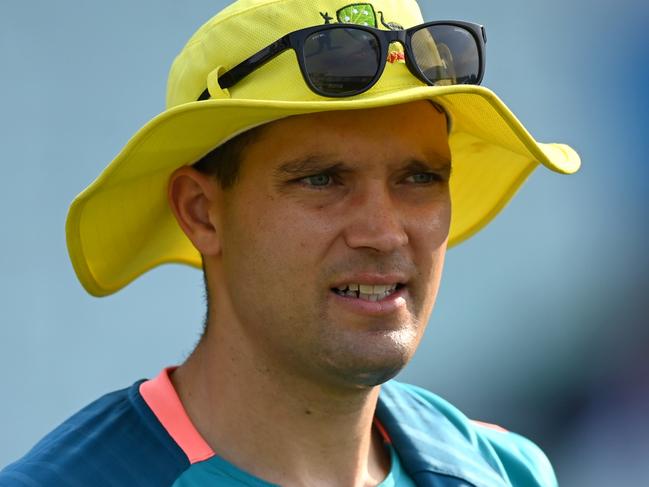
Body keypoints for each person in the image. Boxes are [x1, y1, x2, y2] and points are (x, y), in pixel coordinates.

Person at [0, 0, 581, 486]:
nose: (382, 233)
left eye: (419, 178)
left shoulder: (507, 471)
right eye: (323, 179)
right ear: (202, 212)